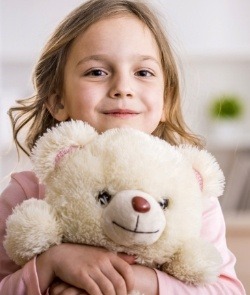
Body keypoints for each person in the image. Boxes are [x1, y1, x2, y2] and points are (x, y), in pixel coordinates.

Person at [0, 0, 246, 294]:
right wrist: (51, 264)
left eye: (143, 73)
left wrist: (136, 279)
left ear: (166, 101)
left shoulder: (188, 191)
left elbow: (227, 289)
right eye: (97, 72)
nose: (123, 87)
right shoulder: (27, 192)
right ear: (57, 100)